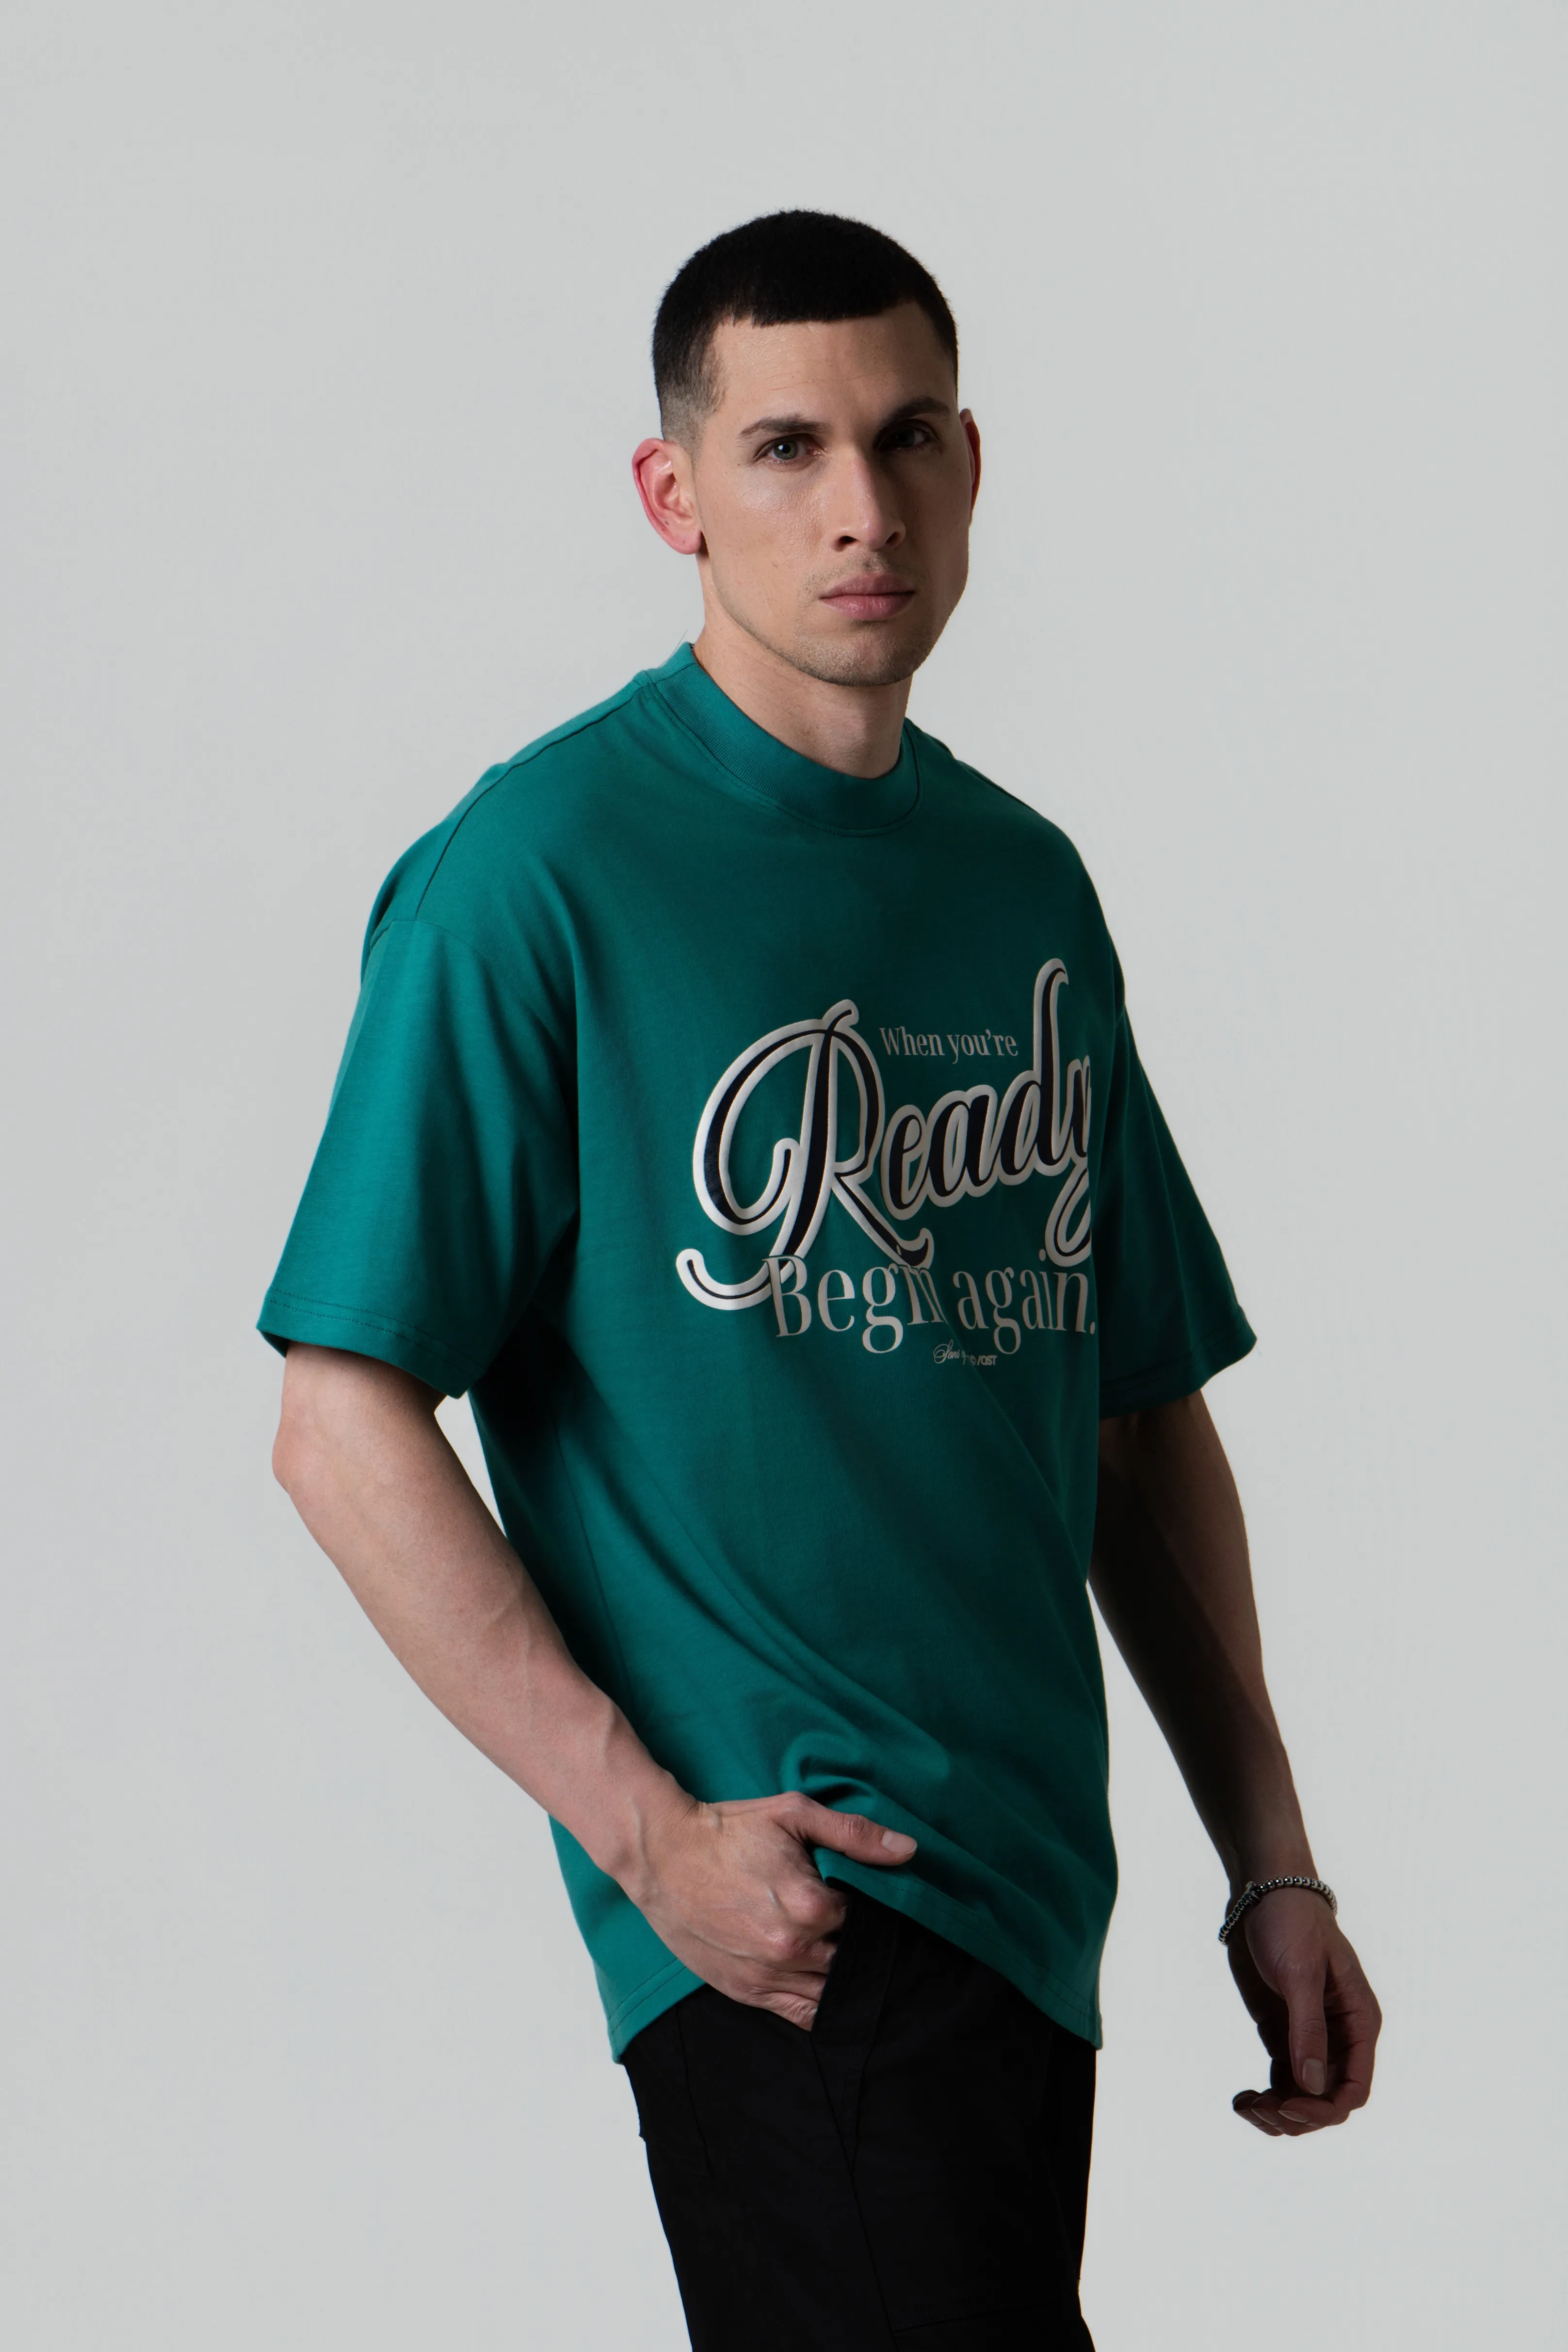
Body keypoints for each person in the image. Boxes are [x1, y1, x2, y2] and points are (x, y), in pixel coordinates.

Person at [262, 210, 1381, 2349]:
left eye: (906, 436)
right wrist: (650, 1839)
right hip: (792, 1911)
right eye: (785, 447)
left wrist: (1272, 1859)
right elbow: (339, 1419)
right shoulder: (538, 876)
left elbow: (1131, 1413)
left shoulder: (1019, 883)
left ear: (972, 464)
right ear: (673, 492)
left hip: (1035, 1903)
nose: (861, 506)